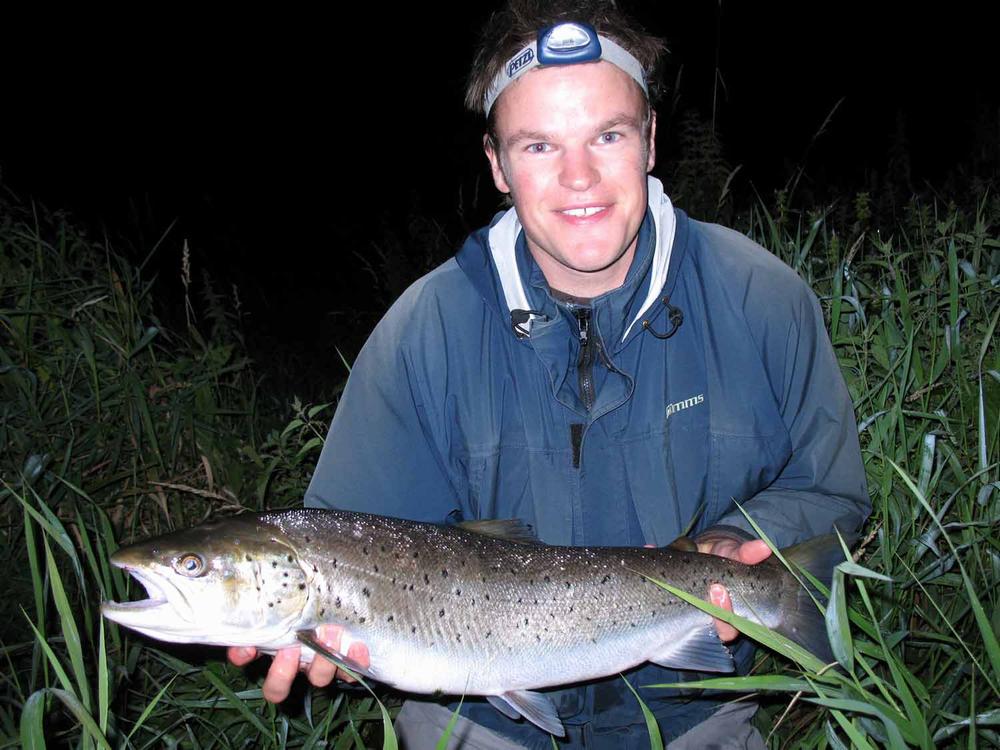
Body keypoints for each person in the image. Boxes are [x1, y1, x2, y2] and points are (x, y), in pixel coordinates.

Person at [230, 1, 870, 747]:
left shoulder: (760, 298)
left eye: (607, 134)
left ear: (651, 141)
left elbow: (831, 491)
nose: (580, 178)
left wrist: (740, 538)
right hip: (475, 717)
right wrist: (330, 647)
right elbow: (346, 543)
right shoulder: (423, 333)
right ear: (496, 165)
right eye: (539, 146)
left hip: (699, 701)